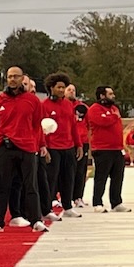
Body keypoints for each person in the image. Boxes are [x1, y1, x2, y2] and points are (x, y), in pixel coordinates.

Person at [0, 67, 46, 232]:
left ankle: (36, 220)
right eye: (9, 76)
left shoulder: (32, 101)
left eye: (15, 76)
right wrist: (1, 138)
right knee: (1, 184)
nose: (12, 79)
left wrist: (40, 144)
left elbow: (37, 125)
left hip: (26, 146)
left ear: (22, 79)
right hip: (5, 146)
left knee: (30, 185)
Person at [41, 74, 82, 217]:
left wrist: (79, 145)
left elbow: (73, 126)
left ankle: (68, 206)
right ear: (51, 88)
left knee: (68, 177)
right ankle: (47, 208)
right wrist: (44, 147)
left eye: (63, 87)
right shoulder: (44, 106)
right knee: (51, 179)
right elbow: (41, 129)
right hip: (52, 147)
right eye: (58, 87)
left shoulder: (68, 105)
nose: (61, 90)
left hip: (68, 146)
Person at [88, 86, 128, 211]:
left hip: (117, 148)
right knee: (101, 177)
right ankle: (97, 202)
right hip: (102, 149)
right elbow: (102, 122)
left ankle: (116, 202)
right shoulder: (94, 109)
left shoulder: (115, 109)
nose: (113, 96)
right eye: (110, 94)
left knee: (118, 177)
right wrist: (114, 117)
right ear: (102, 96)